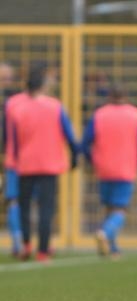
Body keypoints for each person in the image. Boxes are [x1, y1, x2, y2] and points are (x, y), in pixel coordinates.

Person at [8, 63, 79, 262]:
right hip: (49, 164)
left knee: (24, 206)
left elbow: (12, 140)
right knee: (46, 208)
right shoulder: (55, 106)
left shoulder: (17, 109)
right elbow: (69, 135)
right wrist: (74, 156)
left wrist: (12, 161)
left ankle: (26, 243)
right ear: (43, 86)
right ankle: (42, 250)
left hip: (25, 164)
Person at [82, 83, 137, 258]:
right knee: (120, 209)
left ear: (109, 97)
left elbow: (85, 142)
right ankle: (105, 233)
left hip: (103, 168)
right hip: (125, 167)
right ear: (126, 96)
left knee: (109, 207)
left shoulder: (99, 114)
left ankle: (112, 247)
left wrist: (93, 160)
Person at [1, 61, 23, 257]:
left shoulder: (14, 101)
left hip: (11, 158)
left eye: (8, 76)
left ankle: (18, 239)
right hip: (13, 157)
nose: (6, 79)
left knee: (13, 199)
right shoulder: (15, 101)